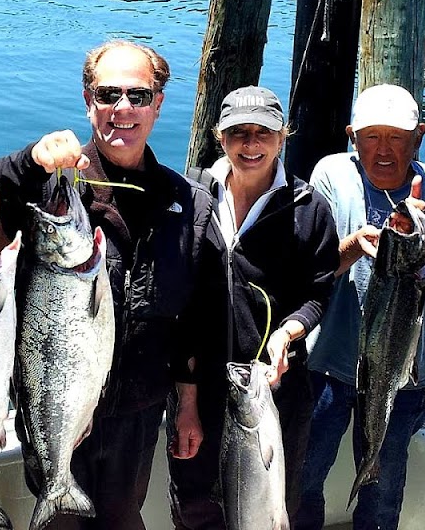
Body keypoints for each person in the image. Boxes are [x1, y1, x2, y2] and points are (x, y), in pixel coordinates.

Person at [0, 39, 213, 530]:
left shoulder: (188, 202)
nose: (122, 109)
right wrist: (29, 158)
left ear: (158, 105)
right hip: (50, 401)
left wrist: (188, 404)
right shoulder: (48, 185)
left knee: (124, 517)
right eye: (108, 95)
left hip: (138, 411)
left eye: (138, 96)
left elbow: (191, 319)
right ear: (88, 101)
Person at [167, 85, 340, 529]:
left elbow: (318, 293)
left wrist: (288, 333)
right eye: (238, 132)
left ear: (284, 136)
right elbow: (178, 307)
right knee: (194, 507)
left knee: (273, 508)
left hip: (276, 392)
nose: (251, 144)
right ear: (218, 137)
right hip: (199, 391)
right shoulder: (189, 198)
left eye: (263, 132)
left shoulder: (309, 209)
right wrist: (186, 400)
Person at [294, 83, 425, 530]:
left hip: (401, 374)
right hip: (326, 365)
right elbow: (311, 270)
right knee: (302, 480)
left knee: (383, 496)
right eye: (371, 137)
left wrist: (424, 243)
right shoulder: (331, 174)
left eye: (397, 137)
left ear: (419, 137)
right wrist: (352, 245)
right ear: (353, 137)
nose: (384, 150)